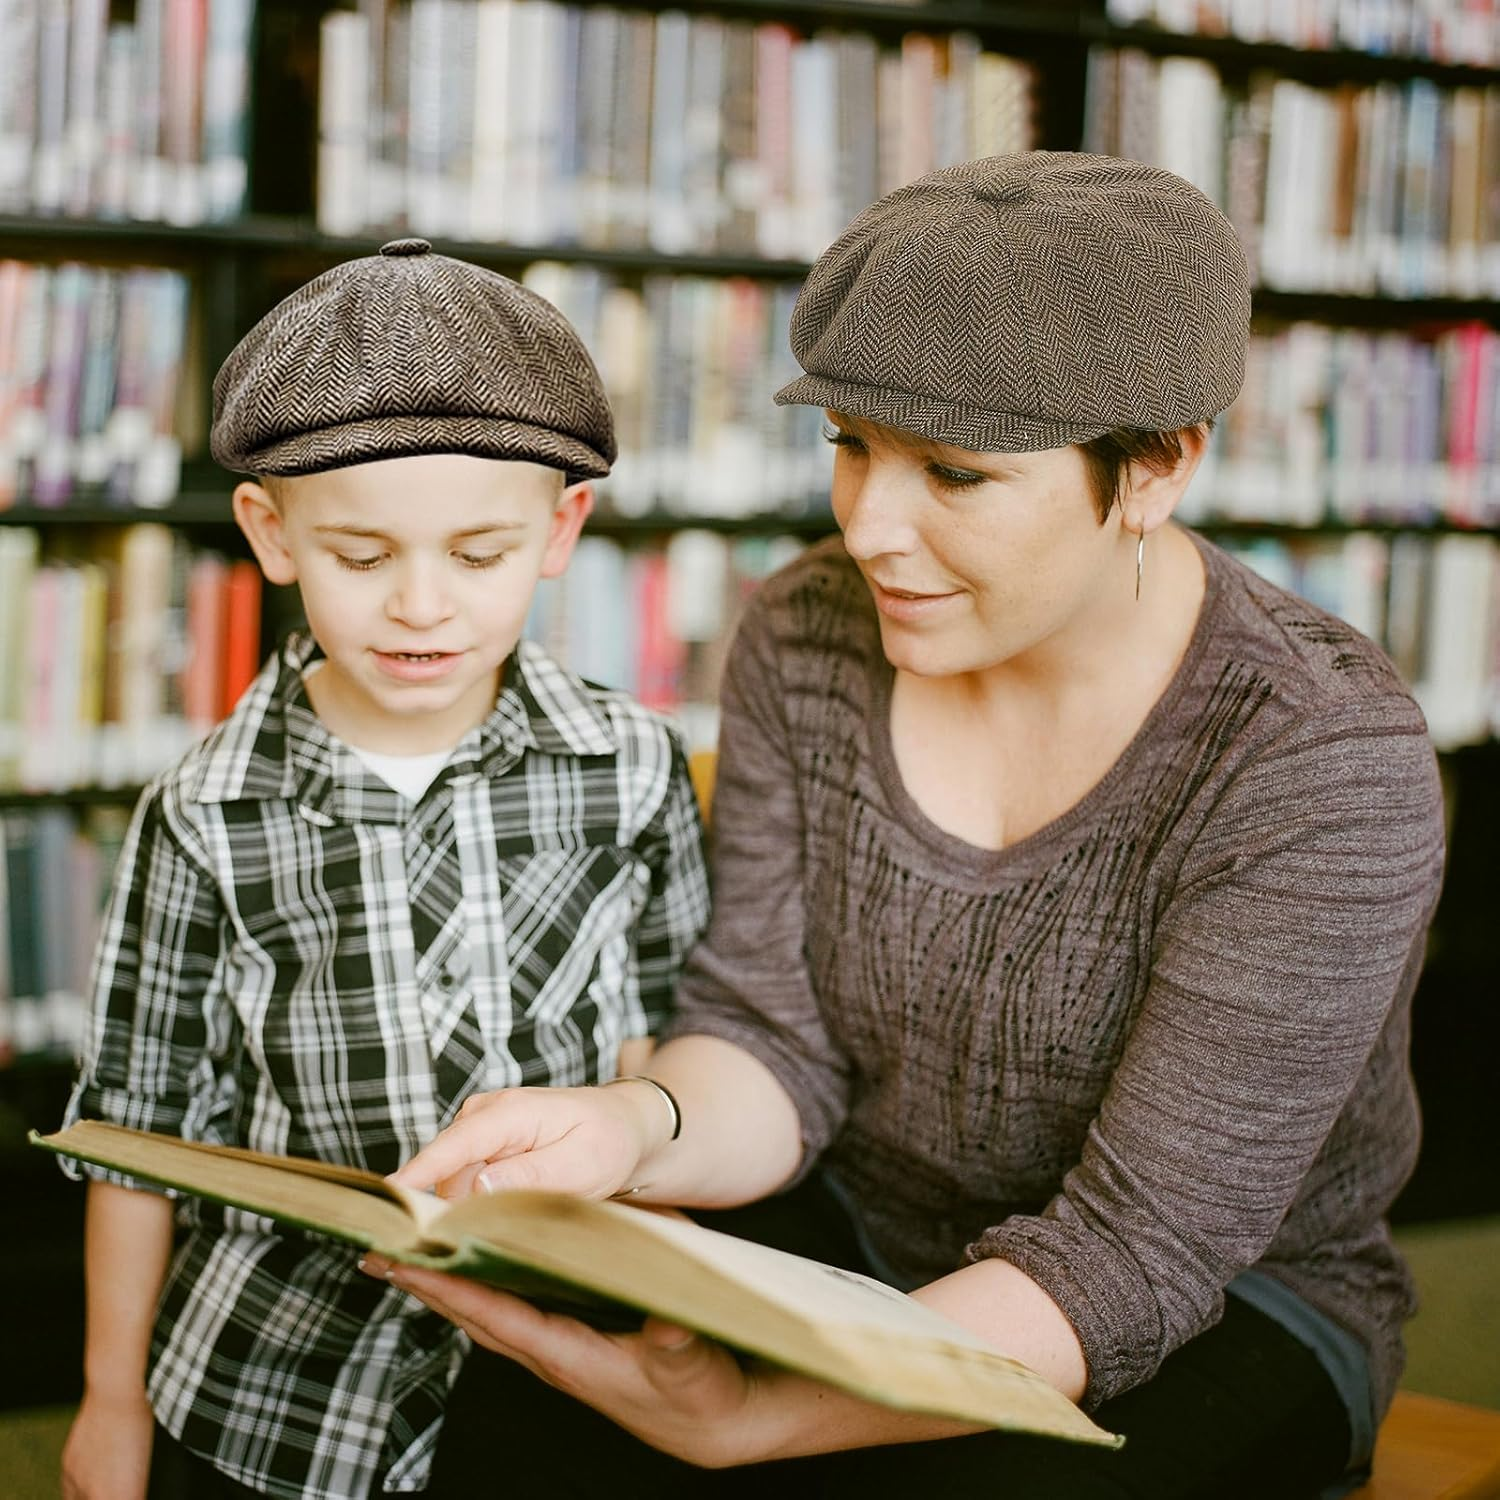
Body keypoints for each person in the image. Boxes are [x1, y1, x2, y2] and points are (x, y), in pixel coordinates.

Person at [371, 155, 1447, 1500]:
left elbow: (1135, 1258)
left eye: (954, 474)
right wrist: (632, 1128)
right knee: (510, 1414)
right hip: (860, 1223)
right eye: (850, 448)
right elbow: (773, 1040)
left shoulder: (1318, 756)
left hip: (1228, 1306)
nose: (873, 527)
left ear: (1159, 467)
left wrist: (755, 1419)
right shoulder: (807, 630)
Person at [58, 238, 710, 1500]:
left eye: (478, 555)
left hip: (566, 1367)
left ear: (561, 528)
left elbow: (669, 1042)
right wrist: (105, 1400)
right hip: (278, 1388)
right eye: (363, 556)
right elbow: (132, 1134)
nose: (422, 606)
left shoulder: (630, 764)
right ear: (273, 531)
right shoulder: (202, 812)